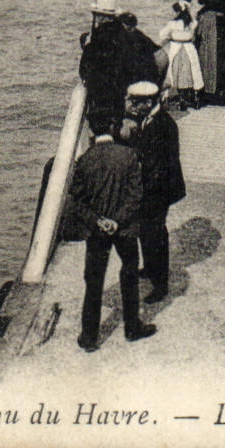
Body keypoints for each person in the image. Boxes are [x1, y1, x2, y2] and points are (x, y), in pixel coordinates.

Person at [68, 109, 156, 352]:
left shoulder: (84, 161)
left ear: (90, 131)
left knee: (93, 281)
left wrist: (98, 220)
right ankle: (132, 328)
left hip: (97, 231)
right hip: (125, 229)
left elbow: (77, 202)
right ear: (113, 127)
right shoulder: (128, 156)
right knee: (129, 275)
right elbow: (135, 195)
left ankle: (89, 337)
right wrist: (117, 220)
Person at [131, 81, 185, 305]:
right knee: (146, 231)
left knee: (156, 233)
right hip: (153, 187)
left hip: (159, 189)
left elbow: (159, 165)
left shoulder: (164, 125)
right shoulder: (150, 119)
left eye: (136, 102)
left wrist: (143, 191)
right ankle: (150, 267)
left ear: (149, 102)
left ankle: (160, 283)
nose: (133, 106)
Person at [79, 0, 129, 123]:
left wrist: (87, 47)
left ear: (101, 17)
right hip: (119, 87)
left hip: (101, 89)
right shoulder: (121, 32)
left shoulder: (99, 37)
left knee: (101, 120)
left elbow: (85, 67)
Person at [156, 0, 203, 109]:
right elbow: (194, 36)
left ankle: (171, 98)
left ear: (177, 12)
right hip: (188, 49)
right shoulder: (192, 23)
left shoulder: (173, 24)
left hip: (176, 48)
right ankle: (191, 98)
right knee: (190, 73)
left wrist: (166, 40)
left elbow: (162, 34)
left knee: (173, 73)